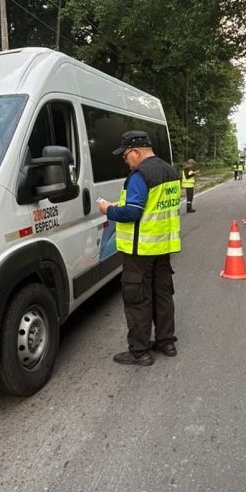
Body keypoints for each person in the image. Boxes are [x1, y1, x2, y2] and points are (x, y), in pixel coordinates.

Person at [98, 130, 181, 366]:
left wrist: (108, 209)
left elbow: (133, 212)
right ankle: (166, 342)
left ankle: (139, 351)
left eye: (125, 156)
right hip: (163, 245)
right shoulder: (169, 171)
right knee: (162, 294)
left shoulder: (139, 175)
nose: (126, 161)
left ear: (135, 152)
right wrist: (123, 203)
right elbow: (153, 205)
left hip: (140, 250)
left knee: (137, 299)